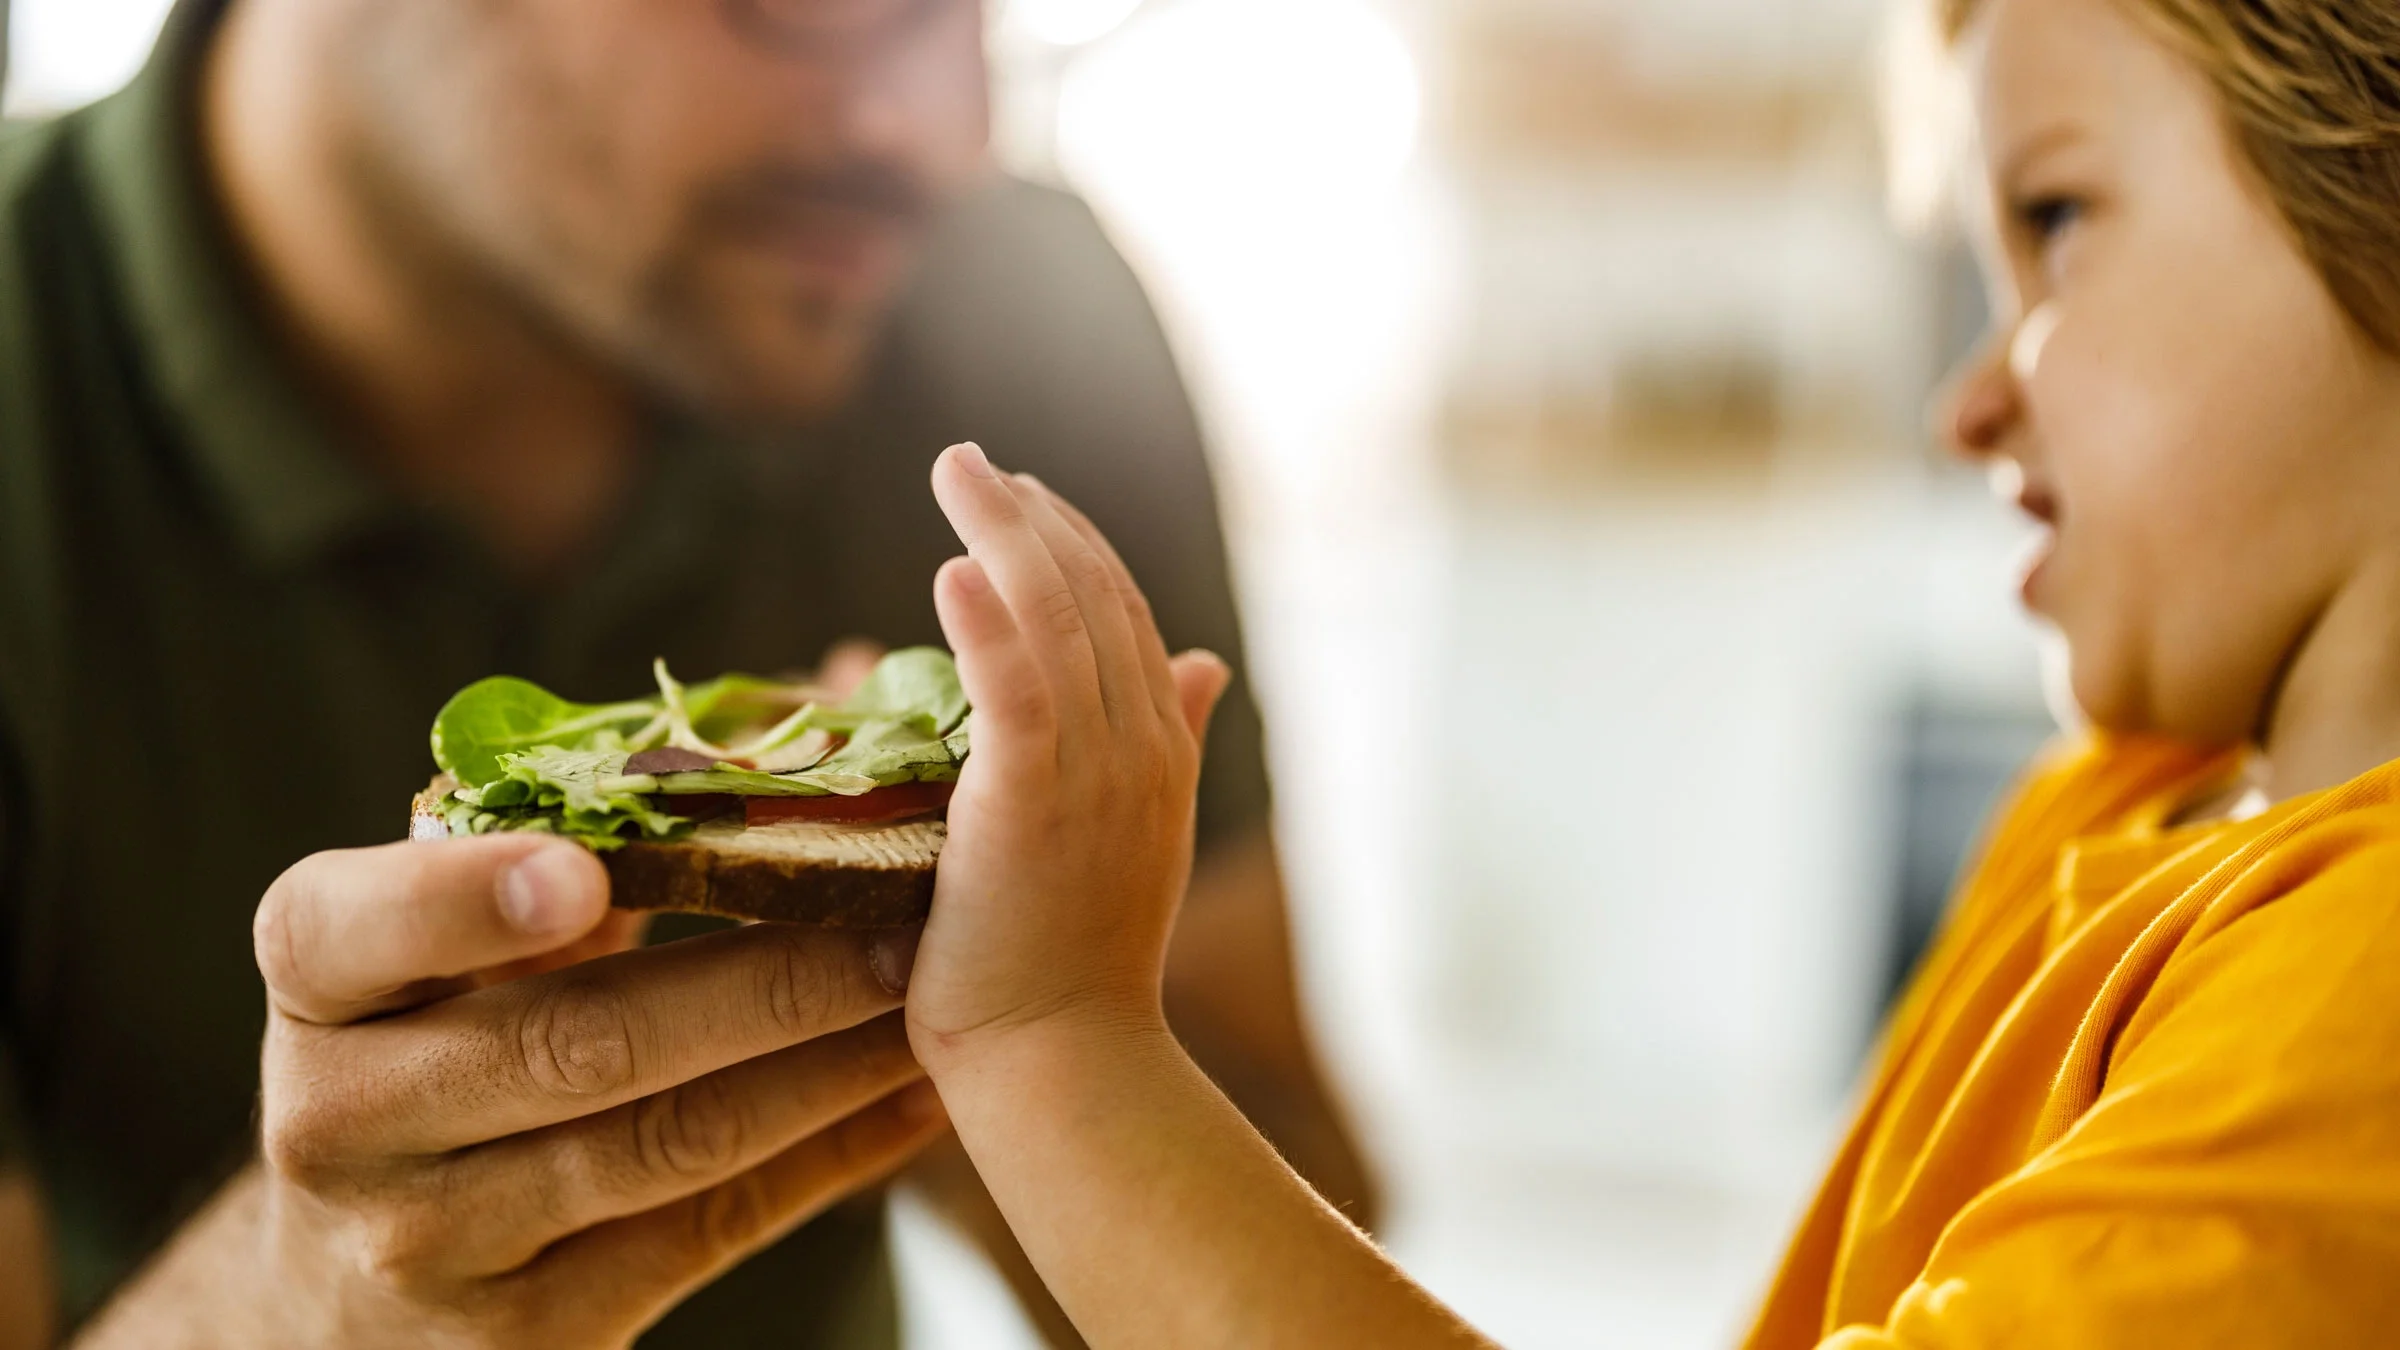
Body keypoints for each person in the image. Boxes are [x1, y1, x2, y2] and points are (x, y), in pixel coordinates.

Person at [890, 0, 2400, 1343]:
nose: (1971, 400)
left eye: (2059, 218)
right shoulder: (2120, 802)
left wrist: (1053, 1041)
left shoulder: (2368, 996)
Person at [0, 0, 1376, 1344]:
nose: (942, 130)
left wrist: (997, 1036)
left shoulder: (1018, 302)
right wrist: (303, 1306)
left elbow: (1309, 1193)